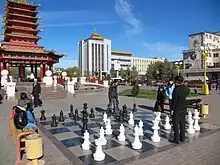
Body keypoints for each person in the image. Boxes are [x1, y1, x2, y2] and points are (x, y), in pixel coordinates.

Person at [170, 76, 189, 144]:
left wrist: (172, 109)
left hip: (177, 109)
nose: (174, 82)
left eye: (175, 81)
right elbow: (188, 92)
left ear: (177, 82)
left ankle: (176, 139)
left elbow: (174, 101)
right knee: (182, 123)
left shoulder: (176, 89)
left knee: (175, 124)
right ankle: (182, 138)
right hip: (184, 108)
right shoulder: (185, 88)